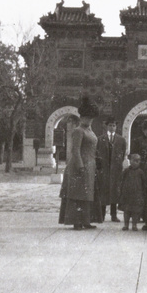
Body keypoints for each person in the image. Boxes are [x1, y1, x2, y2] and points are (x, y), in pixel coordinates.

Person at [59, 96, 100, 230]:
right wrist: (81, 167)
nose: (89, 120)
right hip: (79, 166)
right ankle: (76, 221)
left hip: (90, 166)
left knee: (87, 194)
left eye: (91, 118)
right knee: (77, 194)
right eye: (87, 117)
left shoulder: (90, 131)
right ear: (81, 117)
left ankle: (86, 221)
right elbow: (75, 151)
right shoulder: (78, 131)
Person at [96, 116, 126, 222]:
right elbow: (97, 153)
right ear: (106, 126)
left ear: (116, 127)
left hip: (115, 170)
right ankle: (102, 215)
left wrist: (117, 165)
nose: (112, 127)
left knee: (114, 192)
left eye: (114, 125)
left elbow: (122, 154)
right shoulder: (100, 139)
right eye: (110, 125)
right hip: (104, 169)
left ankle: (114, 215)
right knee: (104, 192)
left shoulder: (121, 140)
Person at [119, 154, 147, 231]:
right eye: (134, 160)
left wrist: (143, 193)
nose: (135, 163)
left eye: (138, 161)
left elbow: (144, 183)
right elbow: (122, 181)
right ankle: (126, 224)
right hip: (127, 194)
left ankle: (134, 225)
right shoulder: (126, 171)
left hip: (137, 195)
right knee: (126, 211)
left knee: (135, 211)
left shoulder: (140, 172)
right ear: (130, 161)